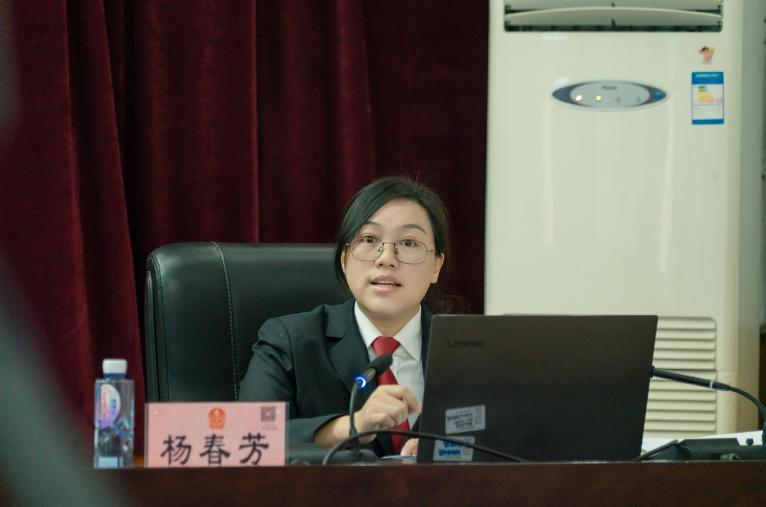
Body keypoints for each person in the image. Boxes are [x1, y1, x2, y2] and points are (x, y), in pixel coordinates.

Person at [238, 175, 449, 457]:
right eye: (369, 239)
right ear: (344, 258)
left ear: (436, 266)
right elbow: (246, 435)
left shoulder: (470, 354)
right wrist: (349, 426)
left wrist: (450, 451)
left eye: (409, 242)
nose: (386, 258)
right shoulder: (290, 343)